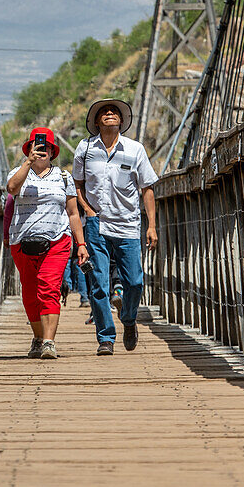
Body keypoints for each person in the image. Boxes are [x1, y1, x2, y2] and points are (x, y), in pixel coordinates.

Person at [73, 98, 158, 355]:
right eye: (104, 112)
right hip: (97, 225)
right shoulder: (85, 148)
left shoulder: (135, 149)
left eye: (114, 112)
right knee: (98, 284)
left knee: (134, 282)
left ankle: (129, 319)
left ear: (121, 121)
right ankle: (105, 338)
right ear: (96, 121)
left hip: (128, 225)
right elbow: (77, 185)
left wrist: (151, 225)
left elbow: (147, 188)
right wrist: (87, 210)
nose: (110, 114)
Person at [7, 127, 89, 360]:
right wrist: (27, 163)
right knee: (30, 293)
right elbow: (12, 189)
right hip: (22, 241)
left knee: (49, 288)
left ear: (53, 152)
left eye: (46, 148)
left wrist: (81, 244)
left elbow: (73, 213)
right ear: (29, 149)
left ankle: (48, 342)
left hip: (57, 241)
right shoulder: (18, 172)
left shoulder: (63, 177)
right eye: (37, 146)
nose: (42, 151)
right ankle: (38, 336)